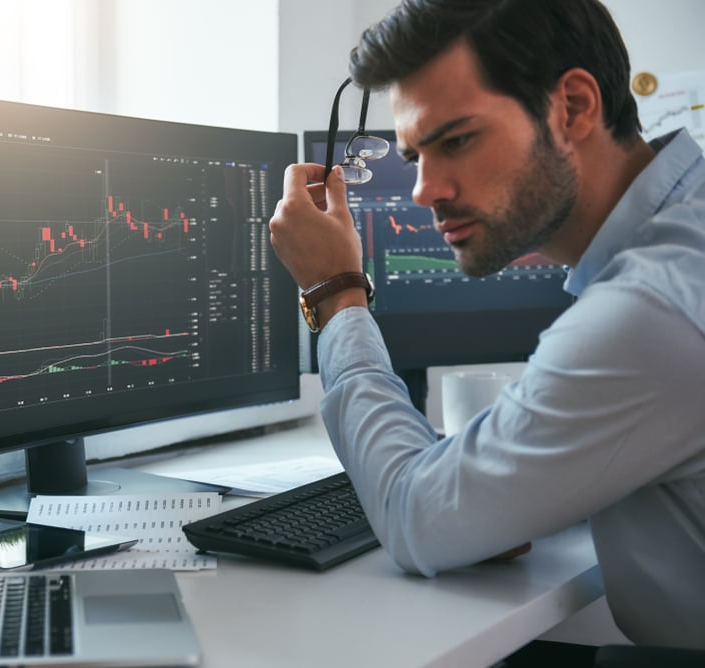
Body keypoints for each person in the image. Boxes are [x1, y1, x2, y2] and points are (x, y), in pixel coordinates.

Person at [268, 0, 705, 652]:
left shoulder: (649, 306)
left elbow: (417, 516)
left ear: (575, 107)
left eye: (458, 140)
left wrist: (336, 293)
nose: (424, 189)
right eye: (415, 153)